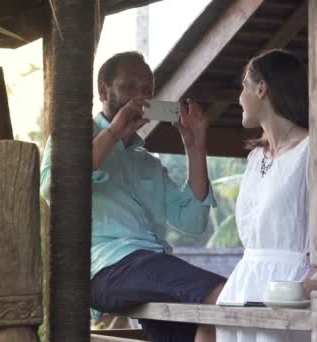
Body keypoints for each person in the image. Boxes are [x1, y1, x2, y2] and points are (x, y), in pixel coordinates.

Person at [40, 51, 225, 342]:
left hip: (149, 269)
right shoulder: (71, 137)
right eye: (129, 87)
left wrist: (195, 146)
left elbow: (192, 221)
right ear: (103, 90)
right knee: (223, 295)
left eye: (147, 91)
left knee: (201, 329)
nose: (140, 98)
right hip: (106, 270)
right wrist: (113, 132)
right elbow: (55, 187)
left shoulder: (148, 162)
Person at [215, 49, 317, 342]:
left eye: (244, 86)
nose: (239, 97)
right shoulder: (255, 158)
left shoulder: (314, 150)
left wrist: (306, 287)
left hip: (292, 290)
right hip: (245, 286)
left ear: (262, 88)